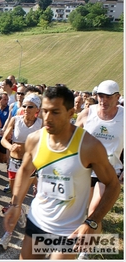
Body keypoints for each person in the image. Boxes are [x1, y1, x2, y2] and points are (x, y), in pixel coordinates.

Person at [3, 86, 120, 259]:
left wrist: (92, 221)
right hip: (38, 220)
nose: (47, 118)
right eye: (45, 111)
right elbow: (25, 171)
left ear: (71, 112)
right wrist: (15, 204)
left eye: (55, 112)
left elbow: (113, 185)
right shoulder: (35, 139)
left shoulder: (89, 146)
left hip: (69, 230)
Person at [75, 80, 124, 259]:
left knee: (95, 211)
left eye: (108, 97)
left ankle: (85, 251)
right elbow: (72, 136)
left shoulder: (124, 116)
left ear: (117, 97)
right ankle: (85, 239)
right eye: (100, 96)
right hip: (85, 168)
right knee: (83, 210)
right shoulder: (88, 113)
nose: (103, 100)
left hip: (108, 172)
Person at [0, 93, 43, 249]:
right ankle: (22, 212)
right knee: (14, 195)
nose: (27, 109)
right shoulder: (16, 120)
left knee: (16, 200)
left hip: (31, 165)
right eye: (24, 106)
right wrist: (10, 147)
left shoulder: (41, 124)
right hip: (14, 162)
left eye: (31, 107)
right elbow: (3, 138)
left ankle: (7, 234)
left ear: (37, 108)